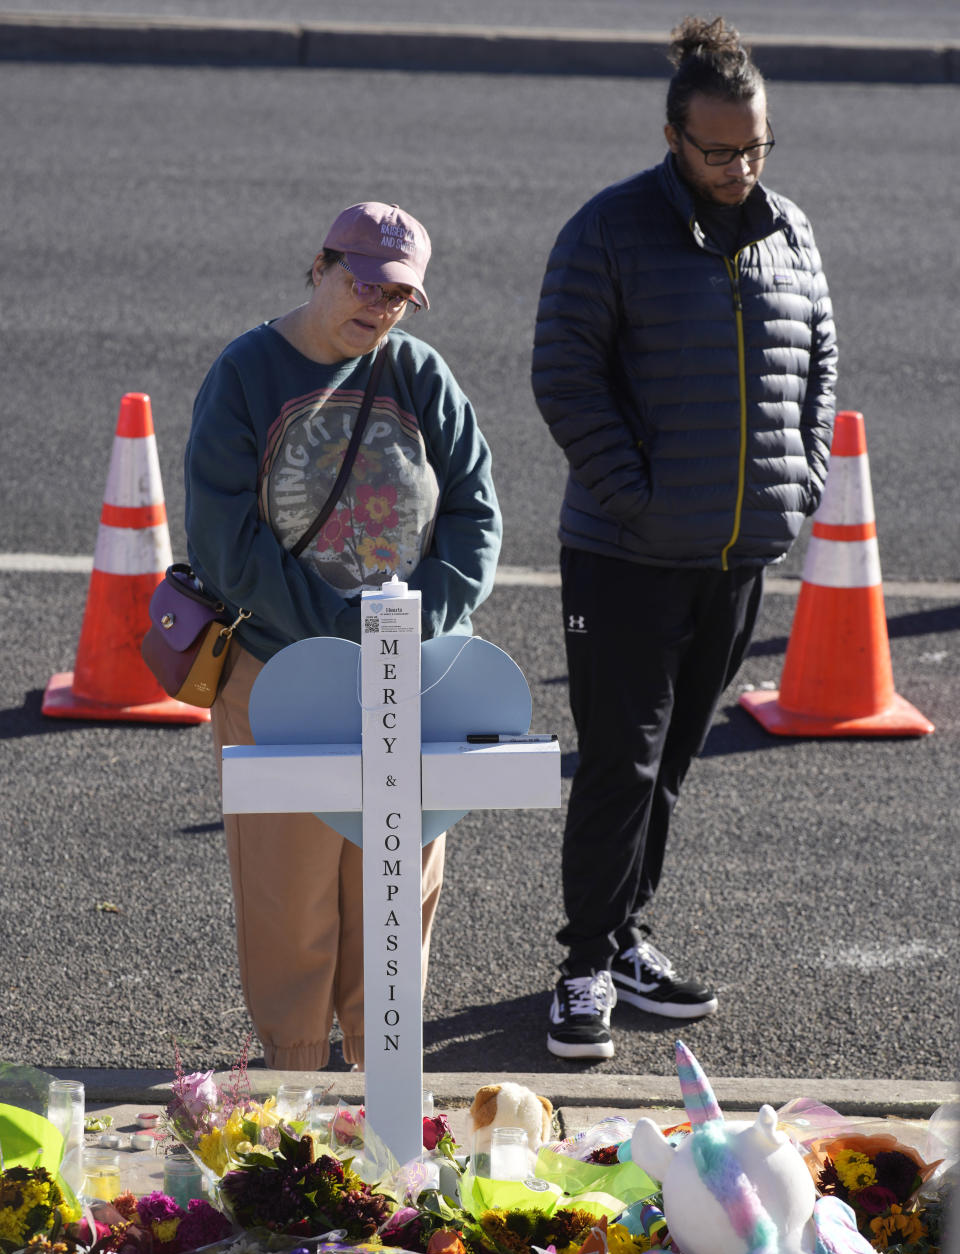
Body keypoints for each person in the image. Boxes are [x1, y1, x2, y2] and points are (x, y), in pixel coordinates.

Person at [531, 17, 837, 1060]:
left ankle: (626, 940)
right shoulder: (609, 231)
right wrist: (640, 497)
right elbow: (565, 378)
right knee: (619, 761)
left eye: (756, 147)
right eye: (718, 150)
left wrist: (798, 488)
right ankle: (580, 967)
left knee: (673, 764)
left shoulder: (786, 229)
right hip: (626, 553)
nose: (739, 167)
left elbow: (819, 360)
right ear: (673, 136)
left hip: (736, 553)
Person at [184, 201, 501, 1071]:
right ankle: (295, 1073)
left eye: (401, 297)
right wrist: (342, 637)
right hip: (282, 671)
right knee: (288, 889)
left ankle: (380, 1068)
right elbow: (225, 543)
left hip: (413, 671)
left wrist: (411, 628)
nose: (380, 308)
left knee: (397, 883)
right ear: (318, 266)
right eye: (365, 285)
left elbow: (476, 518)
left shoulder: (420, 374)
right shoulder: (247, 373)